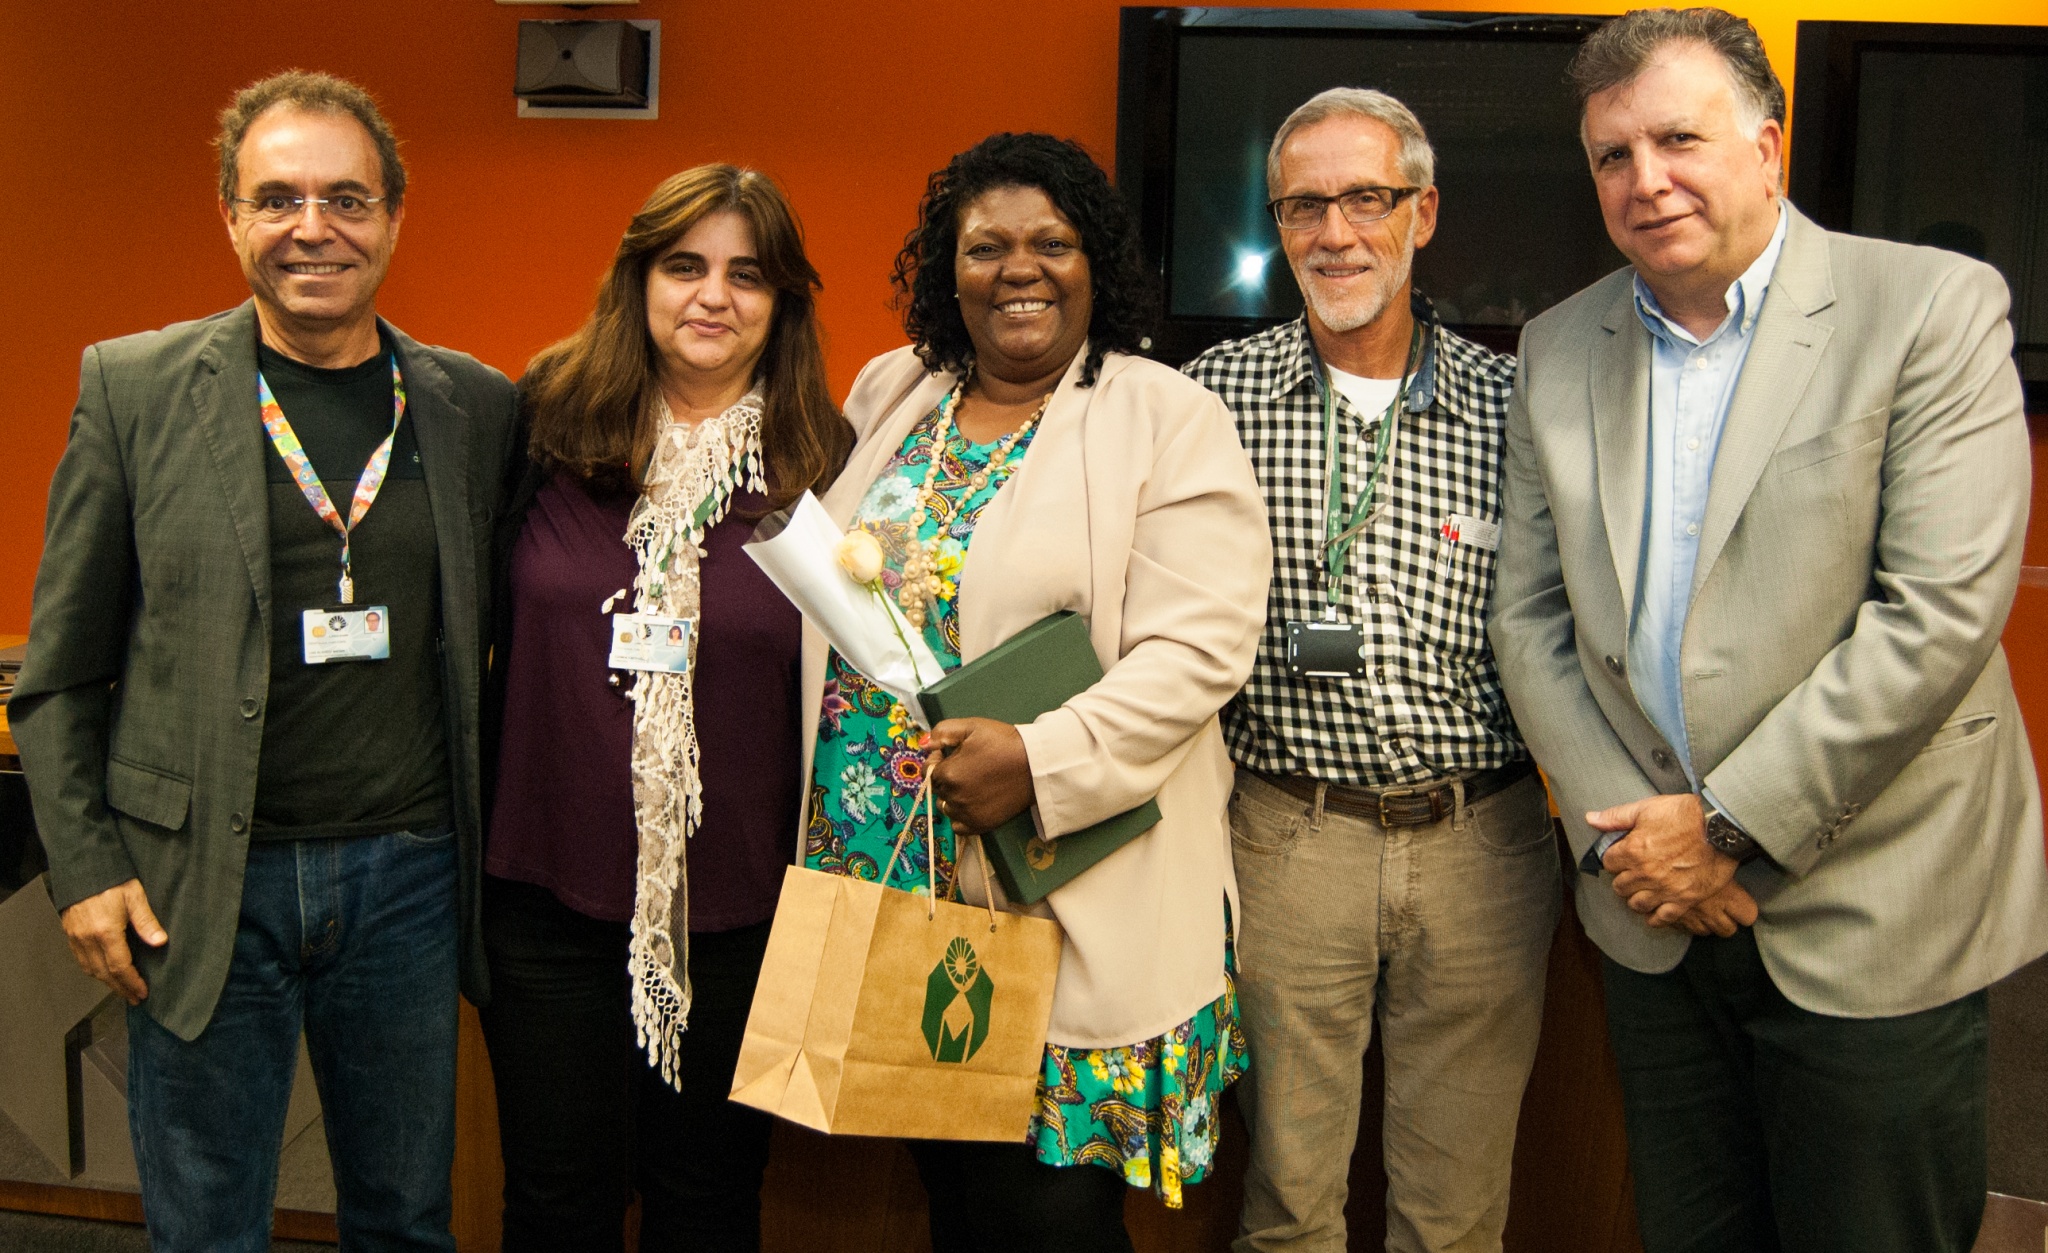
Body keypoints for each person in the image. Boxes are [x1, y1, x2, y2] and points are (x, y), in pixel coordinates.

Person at [1488, 10, 2048, 1252]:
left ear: (1768, 149)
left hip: (1873, 903)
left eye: (1677, 138)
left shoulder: (1929, 308)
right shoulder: (1553, 345)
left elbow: (1937, 613)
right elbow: (1526, 618)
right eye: (1610, 155)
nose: (1646, 180)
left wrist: (1724, 827)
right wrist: (1638, 851)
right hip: (1651, 919)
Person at [11, 71, 518, 1250]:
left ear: (393, 216)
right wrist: (83, 868)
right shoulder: (131, 389)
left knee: (403, 1214)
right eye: (277, 198)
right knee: (207, 1223)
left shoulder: (472, 407)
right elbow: (58, 668)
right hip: (196, 887)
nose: (313, 228)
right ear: (230, 217)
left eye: (346, 199)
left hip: (407, 881)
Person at [801, 132, 1269, 1251]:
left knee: (1045, 1209)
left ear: (1094, 263)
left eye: (1051, 243)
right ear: (943, 270)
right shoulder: (890, 389)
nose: (1019, 268)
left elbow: (1198, 648)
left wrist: (1038, 761)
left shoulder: (1162, 413)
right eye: (985, 246)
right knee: (956, 1199)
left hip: (1060, 879)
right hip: (890, 874)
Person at [1182, 89, 1560, 1253]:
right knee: (1288, 1203)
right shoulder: (1211, 397)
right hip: (1288, 837)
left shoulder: (1517, 407)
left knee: (1452, 1214)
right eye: (1304, 204)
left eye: (1365, 198)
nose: (1334, 232)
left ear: (1422, 210)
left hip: (1483, 848)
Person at [479, 165, 851, 1253]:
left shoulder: (827, 459)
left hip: (741, 908)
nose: (712, 296)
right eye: (684, 265)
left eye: (748, 274)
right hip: (546, 897)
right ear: (636, 278)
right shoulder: (538, 423)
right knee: (555, 1202)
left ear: (781, 301)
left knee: (708, 1201)